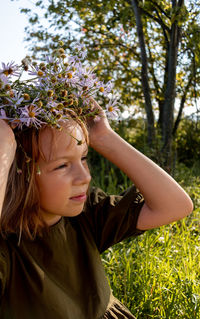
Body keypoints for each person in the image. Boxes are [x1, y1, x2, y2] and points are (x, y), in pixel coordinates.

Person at [0, 46, 193, 318]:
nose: (85, 177)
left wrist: (104, 137)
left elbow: (176, 206)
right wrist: (3, 153)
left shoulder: (86, 213)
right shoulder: (8, 249)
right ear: (19, 172)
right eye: (63, 165)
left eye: (84, 158)